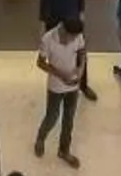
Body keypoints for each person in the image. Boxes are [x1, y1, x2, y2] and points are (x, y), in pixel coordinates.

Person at [34, 14, 87, 168]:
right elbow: (40, 63)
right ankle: (40, 138)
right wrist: (61, 75)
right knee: (52, 116)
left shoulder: (77, 36)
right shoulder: (48, 39)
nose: (73, 41)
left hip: (72, 87)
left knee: (69, 120)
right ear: (63, 29)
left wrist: (80, 69)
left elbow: (82, 51)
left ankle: (64, 151)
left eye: (75, 37)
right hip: (55, 87)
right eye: (71, 37)